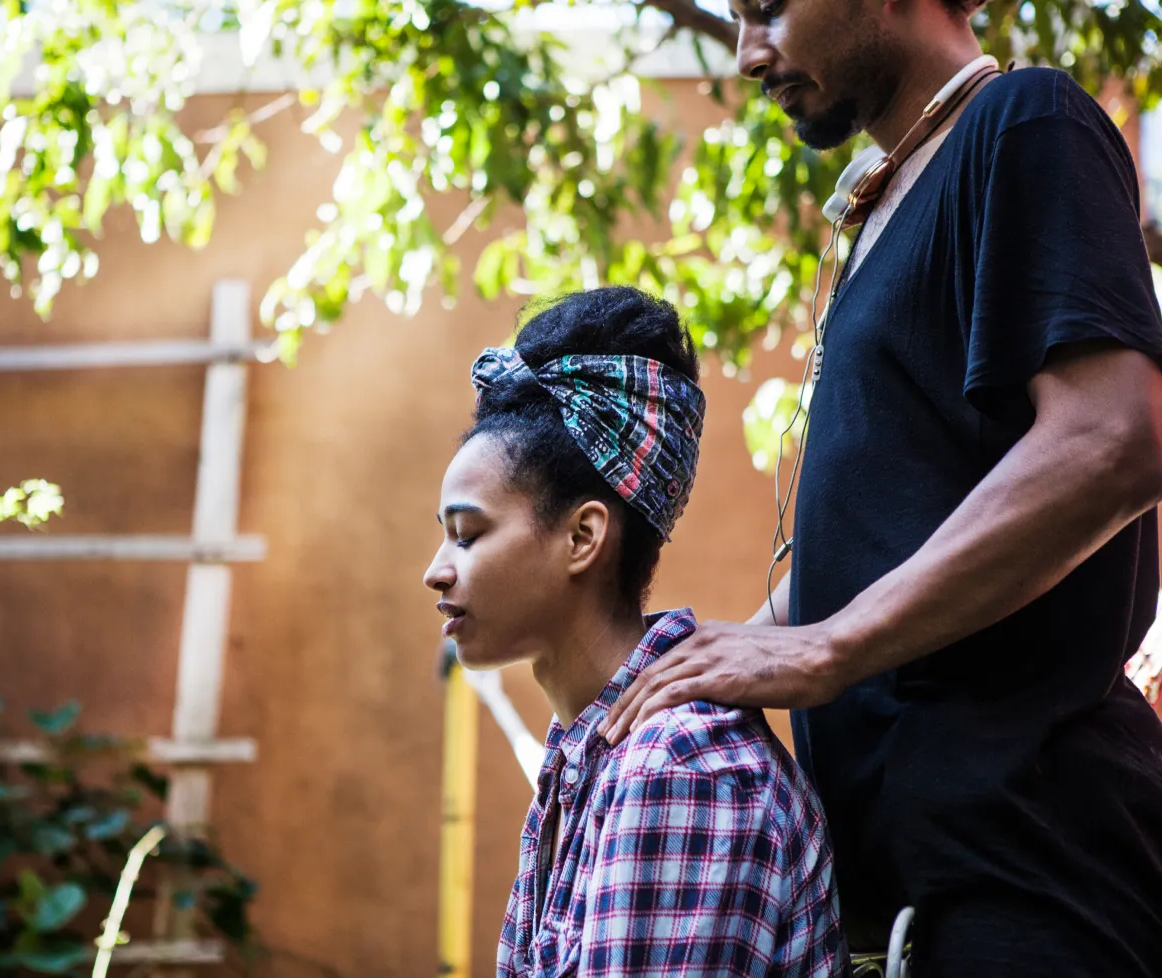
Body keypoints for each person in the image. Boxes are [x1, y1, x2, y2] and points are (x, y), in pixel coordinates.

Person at [597, 2, 1162, 975]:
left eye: (766, 9)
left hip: (1027, 875)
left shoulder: (1024, 122)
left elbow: (1115, 436)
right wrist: (709, 664)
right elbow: (872, 548)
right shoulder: (879, 213)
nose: (746, 52)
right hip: (894, 911)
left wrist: (827, 647)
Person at [424, 287, 845, 977]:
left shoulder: (676, 767)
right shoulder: (589, 757)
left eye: (467, 536)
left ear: (583, 537)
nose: (435, 573)